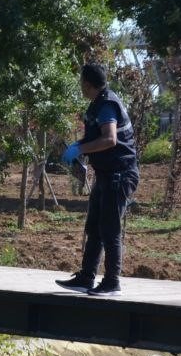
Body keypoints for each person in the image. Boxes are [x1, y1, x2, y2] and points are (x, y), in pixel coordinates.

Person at [55, 63, 140, 297]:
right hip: (106, 174)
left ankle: (112, 282)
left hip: (119, 175)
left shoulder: (107, 104)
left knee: (110, 229)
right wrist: (80, 151)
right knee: (94, 227)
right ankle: (86, 277)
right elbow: (97, 139)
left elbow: (110, 139)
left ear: (87, 83)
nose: (80, 85)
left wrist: (80, 147)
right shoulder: (98, 103)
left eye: (81, 81)